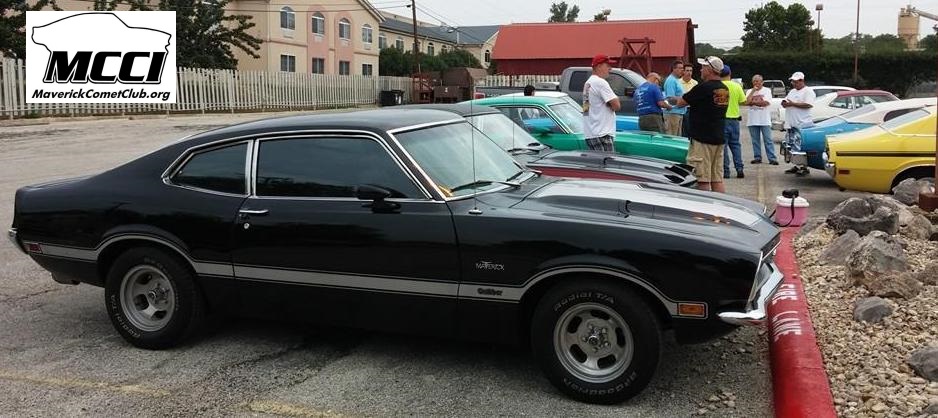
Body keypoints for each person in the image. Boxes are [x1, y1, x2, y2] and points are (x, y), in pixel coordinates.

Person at [673, 56, 729, 193]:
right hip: (718, 136)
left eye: (703, 67)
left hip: (702, 138)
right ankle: (721, 204)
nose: (701, 70)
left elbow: (681, 102)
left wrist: (673, 99)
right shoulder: (723, 89)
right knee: (716, 178)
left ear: (710, 70)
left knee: (701, 178)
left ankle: (704, 205)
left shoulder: (703, 88)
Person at [582, 54, 621, 152]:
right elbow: (617, 106)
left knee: (597, 161)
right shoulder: (600, 82)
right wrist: (613, 101)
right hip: (602, 133)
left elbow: (586, 108)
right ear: (599, 66)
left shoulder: (588, 83)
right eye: (607, 65)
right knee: (608, 161)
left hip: (591, 132)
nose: (610, 69)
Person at [782, 71, 816, 176]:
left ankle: (804, 167)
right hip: (792, 123)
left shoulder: (808, 91)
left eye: (796, 82)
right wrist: (784, 103)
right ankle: (796, 165)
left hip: (803, 123)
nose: (794, 83)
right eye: (793, 82)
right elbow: (787, 101)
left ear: (802, 81)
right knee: (793, 146)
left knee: (802, 146)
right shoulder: (792, 91)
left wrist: (793, 104)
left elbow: (808, 104)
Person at [745, 75, 778, 165]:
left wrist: (753, 102)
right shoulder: (749, 91)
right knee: (755, 141)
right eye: (754, 81)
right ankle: (757, 157)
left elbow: (766, 103)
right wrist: (753, 91)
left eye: (758, 81)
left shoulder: (767, 91)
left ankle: (772, 158)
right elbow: (746, 102)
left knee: (768, 140)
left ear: (762, 82)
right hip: (752, 120)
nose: (756, 83)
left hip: (764, 120)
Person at [721, 65, 746, 179]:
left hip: (722, 120)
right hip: (735, 119)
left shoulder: (719, 86)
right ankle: (739, 168)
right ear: (730, 74)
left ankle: (726, 171)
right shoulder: (736, 86)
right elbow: (743, 101)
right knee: (735, 145)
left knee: (723, 147)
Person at [662, 60, 686, 136]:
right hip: (672, 113)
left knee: (678, 137)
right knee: (672, 136)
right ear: (674, 69)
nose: (682, 70)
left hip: (678, 112)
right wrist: (684, 100)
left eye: (682, 68)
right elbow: (670, 98)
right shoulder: (671, 81)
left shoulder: (676, 80)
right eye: (680, 68)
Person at [679, 64, 698, 136]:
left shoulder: (695, 83)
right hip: (680, 108)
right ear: (683, 71)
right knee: (681, 129)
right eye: (687, 70)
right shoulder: (678, 82)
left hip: (691, 109)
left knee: (690, 128)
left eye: (691, 71)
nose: (689, 73)